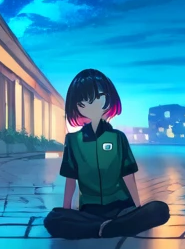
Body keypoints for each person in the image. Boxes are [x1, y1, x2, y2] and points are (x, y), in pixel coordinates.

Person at [42, 68, 171, 239]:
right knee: (54, 219)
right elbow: (70, 178)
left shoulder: (118, 138)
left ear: (108, 100)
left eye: (99, 98)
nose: (93, 106)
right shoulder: (73, 140)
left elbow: (128, 174)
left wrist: (137, 206)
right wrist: (66, 212)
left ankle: (103, 228)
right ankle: (110, 228)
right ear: (77, 106)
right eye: (84, 102)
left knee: (159, 209)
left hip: (122, 208)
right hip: (90, 211)